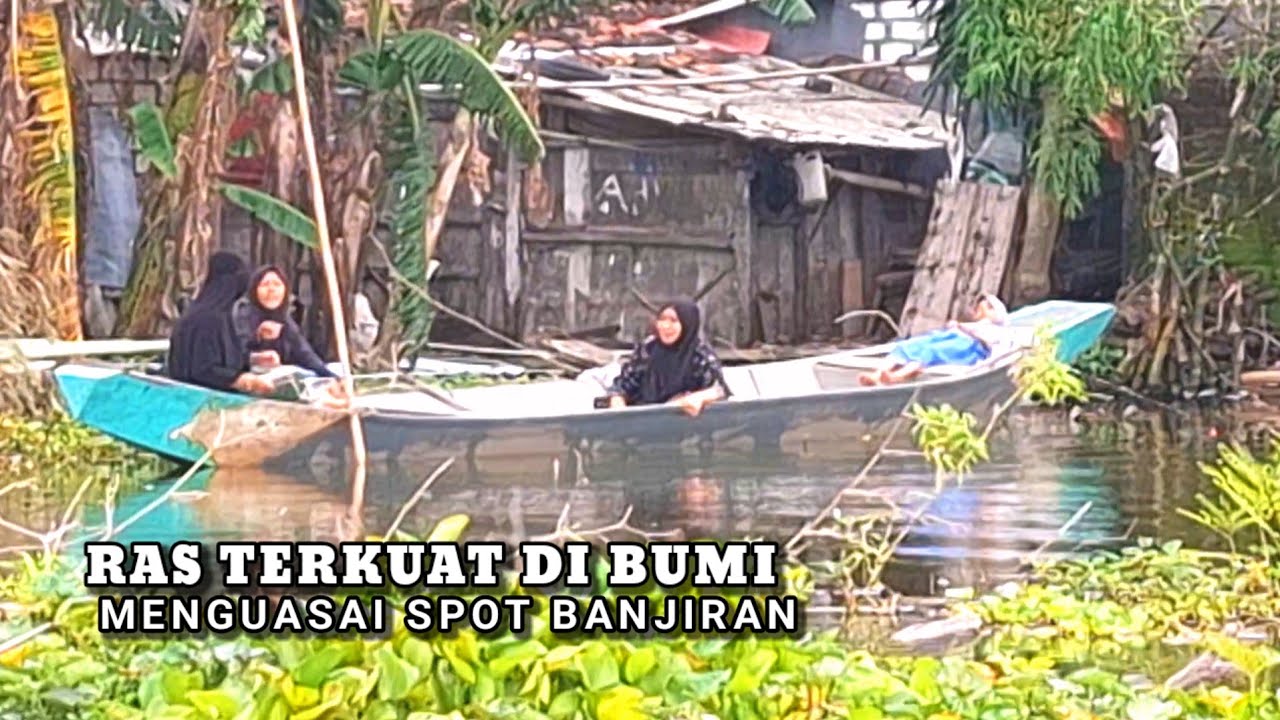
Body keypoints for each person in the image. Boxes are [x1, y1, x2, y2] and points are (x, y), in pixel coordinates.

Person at [233, 264, 349, 409]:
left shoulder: (284, 321)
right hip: (251, 381)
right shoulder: (243, 315)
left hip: (283, 379)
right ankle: (323, 401)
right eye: (265, 284)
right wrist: (258, 343)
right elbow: (233, 354)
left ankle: (332, 396)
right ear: (254, 290)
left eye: (277, 284)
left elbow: (305, 355)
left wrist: (332, 377)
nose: (271, 289)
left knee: (336, 369)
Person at [167, 251, 273, 395]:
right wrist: (241, 380)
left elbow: (217, 355)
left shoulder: (211, 314)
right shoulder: (207, 320)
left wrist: (253, 359)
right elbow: (202, 368)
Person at [604, 299, 730, 417]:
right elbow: (622, 385)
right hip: (642, 419)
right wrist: (618, 407)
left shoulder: (700, 355)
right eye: (662, 319)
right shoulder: (648, 349)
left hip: (682, 424)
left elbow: (719, 389)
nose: (665, 326)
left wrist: (698, 398)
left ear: (687, 324)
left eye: (673, 321)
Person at [859, 294, 1011, 386]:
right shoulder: (972, 325)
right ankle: (877, 374)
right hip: (954, 340)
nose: (979, 310)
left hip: (968, 349)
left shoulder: (995, 329)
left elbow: (987, 340)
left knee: (930, 351)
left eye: (986, 308)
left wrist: (962, 327)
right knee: (908, 345)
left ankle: (897, 376)